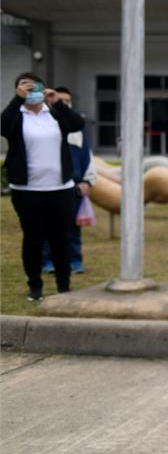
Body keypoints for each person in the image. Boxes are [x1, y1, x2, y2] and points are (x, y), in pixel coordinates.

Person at [2, 73, 85, 300]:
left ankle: (63, 286)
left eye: (34, 86)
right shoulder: (16, 115)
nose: (30, 90)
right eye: (24, 86)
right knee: (33, 239)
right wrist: (17, 99)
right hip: (27, 191)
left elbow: (77, 124)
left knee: (61, 238)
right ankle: (35, 286)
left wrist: (57, 101)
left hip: (60, 188)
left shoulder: (55, 115)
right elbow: (3, 126)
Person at [41, 87, 96, 275]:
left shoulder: (77, 129)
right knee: (50, 226)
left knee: (74, 228)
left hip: (74, 187)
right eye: (59, 99)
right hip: (50, 185)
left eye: (67, 100)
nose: (64, 103)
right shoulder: (45, 126)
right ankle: (48, 261)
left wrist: (87, 181)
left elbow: (87, 157)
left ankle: (75, 260)